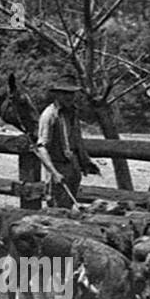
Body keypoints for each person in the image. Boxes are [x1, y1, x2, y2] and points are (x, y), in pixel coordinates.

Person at [33, 79, 99, 208]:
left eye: (72, 93)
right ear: (57, 95)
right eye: (65, 93)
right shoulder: (50, 115)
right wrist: (54, 173)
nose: (69, 97)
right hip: (58, 167)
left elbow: (77, 140)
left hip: (73, 166)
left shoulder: (73, 113)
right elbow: (41, 148)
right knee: (57, 208)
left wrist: (85, 161)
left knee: (68, 206)